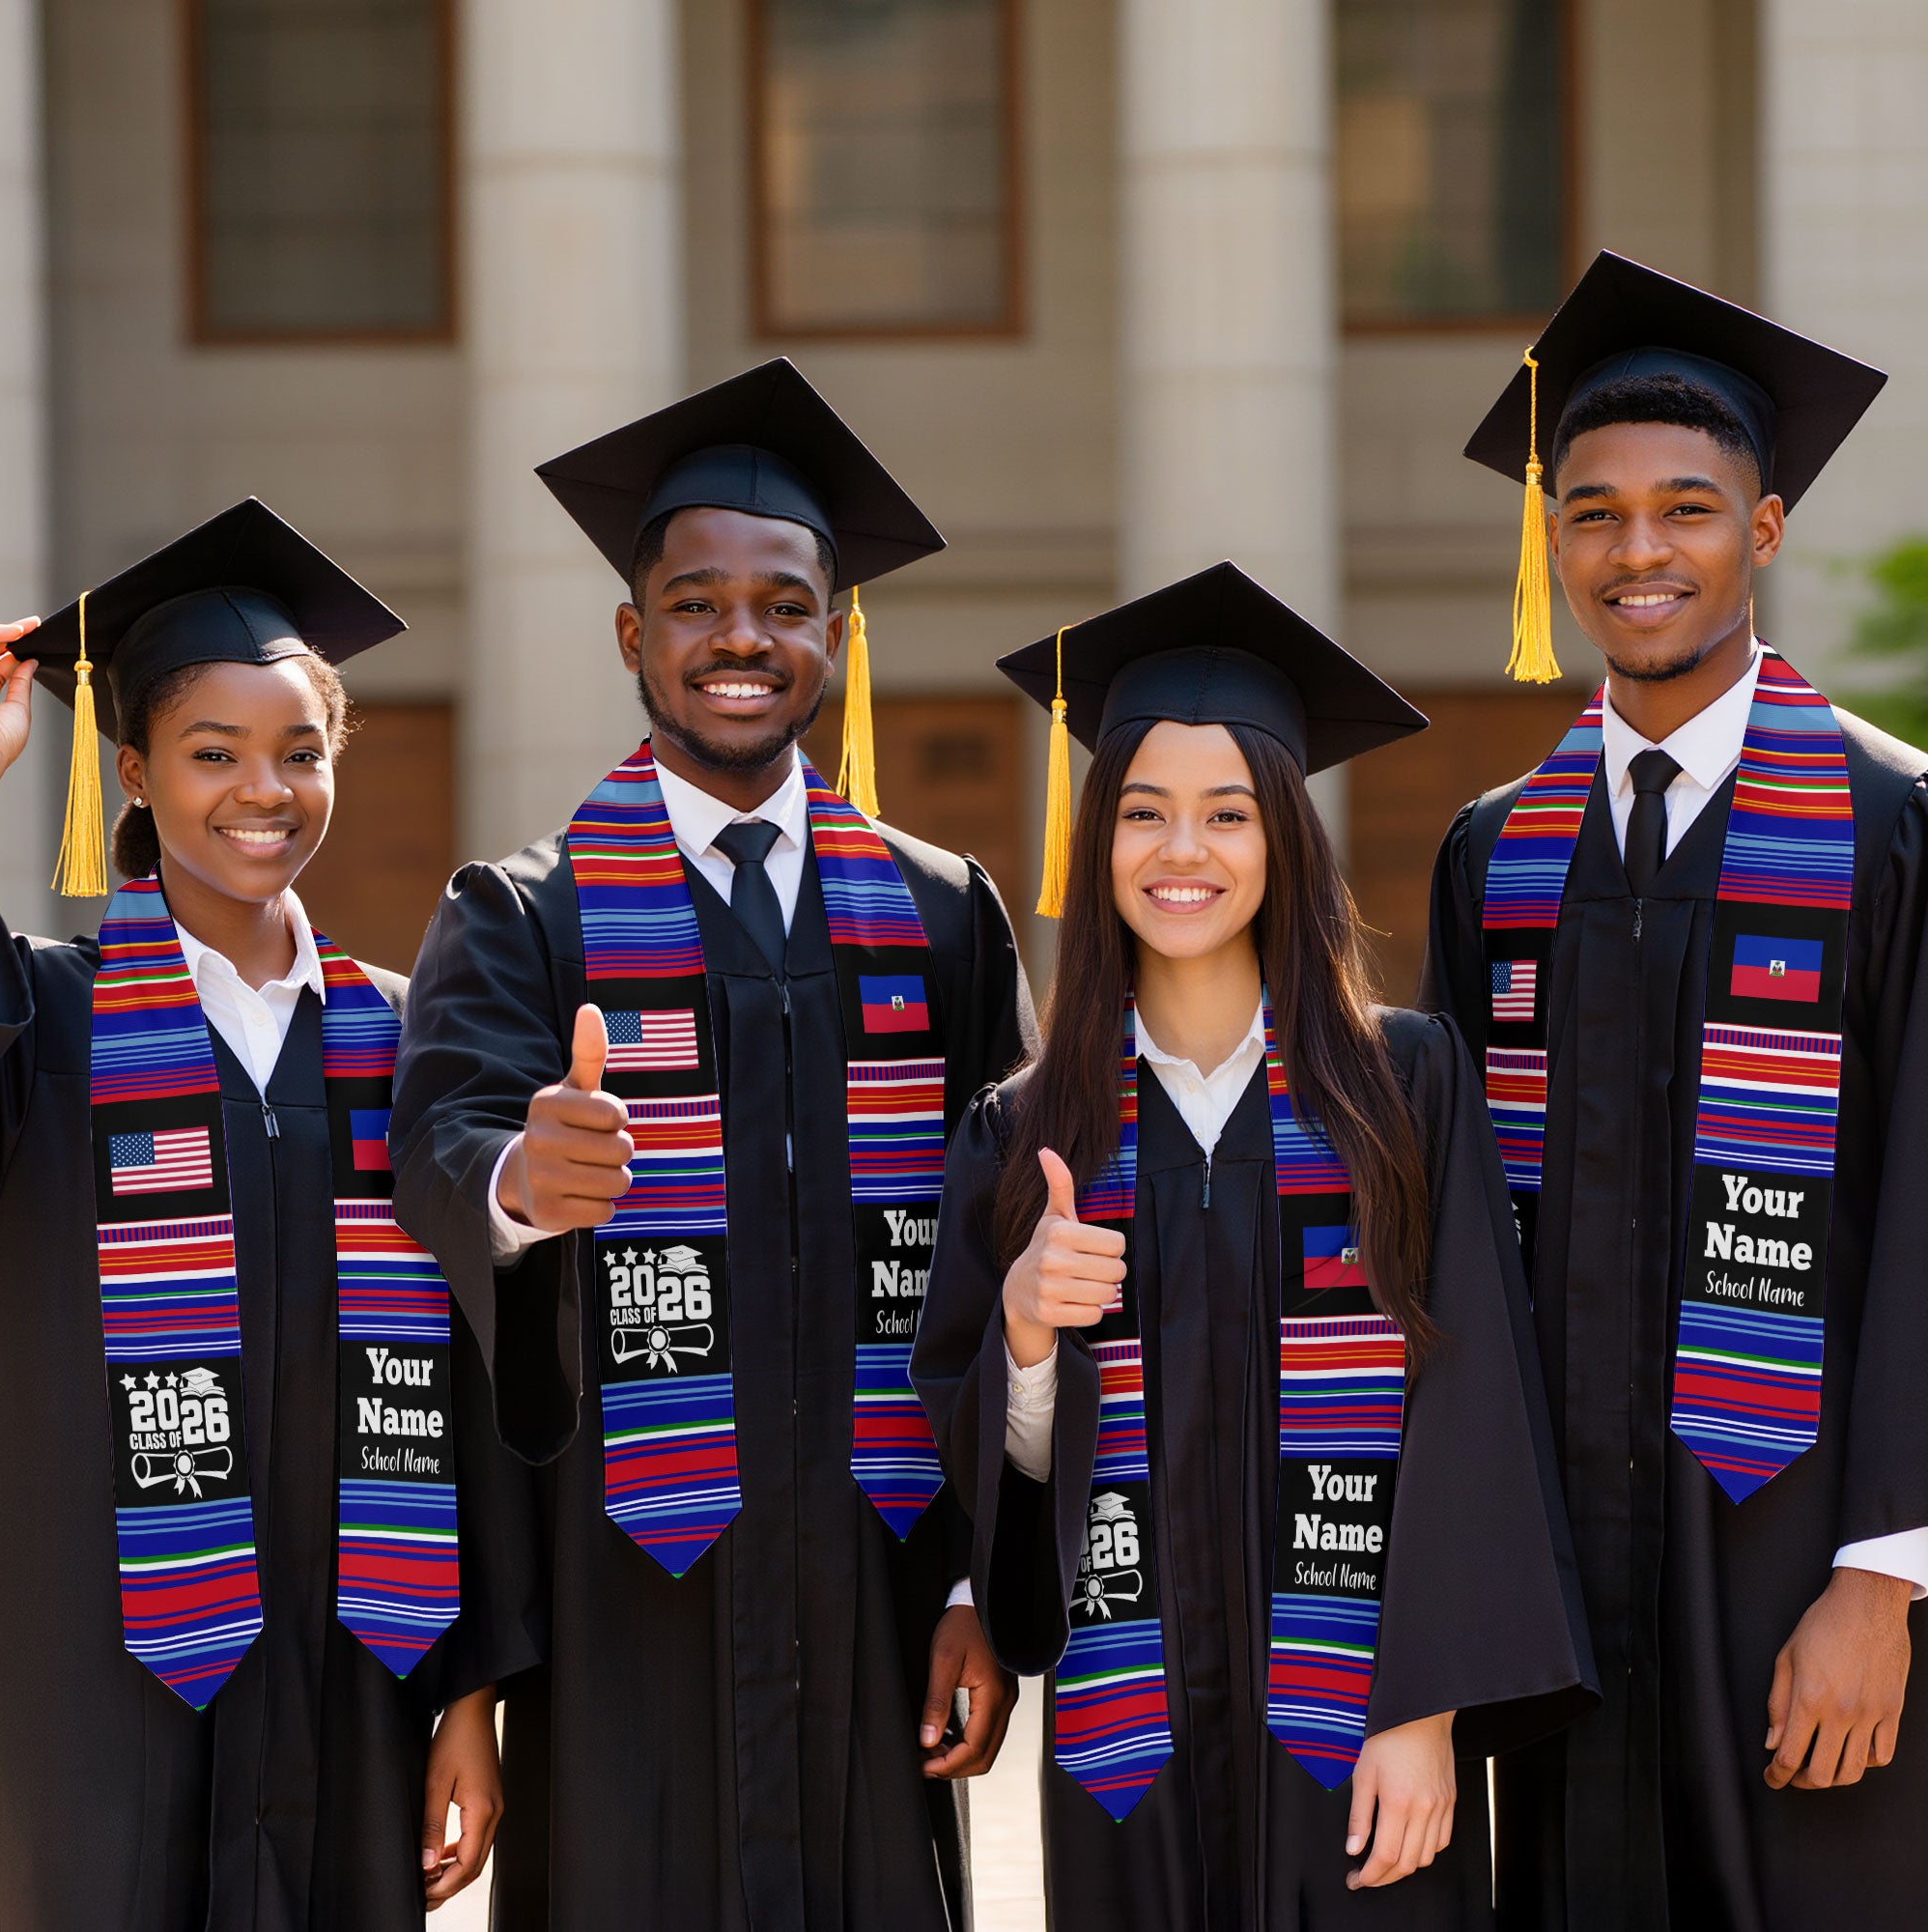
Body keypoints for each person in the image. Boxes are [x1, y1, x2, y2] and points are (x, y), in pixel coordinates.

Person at [388, 358, 1035, 1928]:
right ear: (634, 633)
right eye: (693, 603)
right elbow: (438, 1153)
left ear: (836, 633)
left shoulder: (941, 915)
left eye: (784, 603)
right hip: (629, 1604)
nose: (740, 638)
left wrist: (978, 1589)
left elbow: (1016, 1252)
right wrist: (520, 1183)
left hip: (881, 1592)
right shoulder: (524, 916)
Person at [912, 562, 1594, 1930]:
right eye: (1145, 813)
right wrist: (1029, 1338)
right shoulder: (1027, 1127)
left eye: (1227, 815)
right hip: (1129, 1753)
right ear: (1096, 841)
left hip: (1360, 1736)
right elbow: (993, 1468)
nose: (1184, 853)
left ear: (1284, 839)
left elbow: (1475, 1407)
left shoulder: (1407, 1089)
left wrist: (1425, 1707)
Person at [1422, 251, 1928, 1932]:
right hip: (1564, 1564)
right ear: (1550, 540)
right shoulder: (1497, 854)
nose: (1639, 551)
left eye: (1688, 508)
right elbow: (1448, 1241)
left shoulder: (1894, 826)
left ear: (1764, 531)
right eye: (1594, 511)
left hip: (1801, 1550)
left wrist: (1887, 1571)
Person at [0, 498, 542, 1931]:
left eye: (301, 753)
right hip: (90, 1682)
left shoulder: (405, 1041)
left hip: (355, 1666)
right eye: (213, 754)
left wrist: (472, 1698)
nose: (264, 790)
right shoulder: (47, 1019)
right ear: (131, 770)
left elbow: (479, 1384)